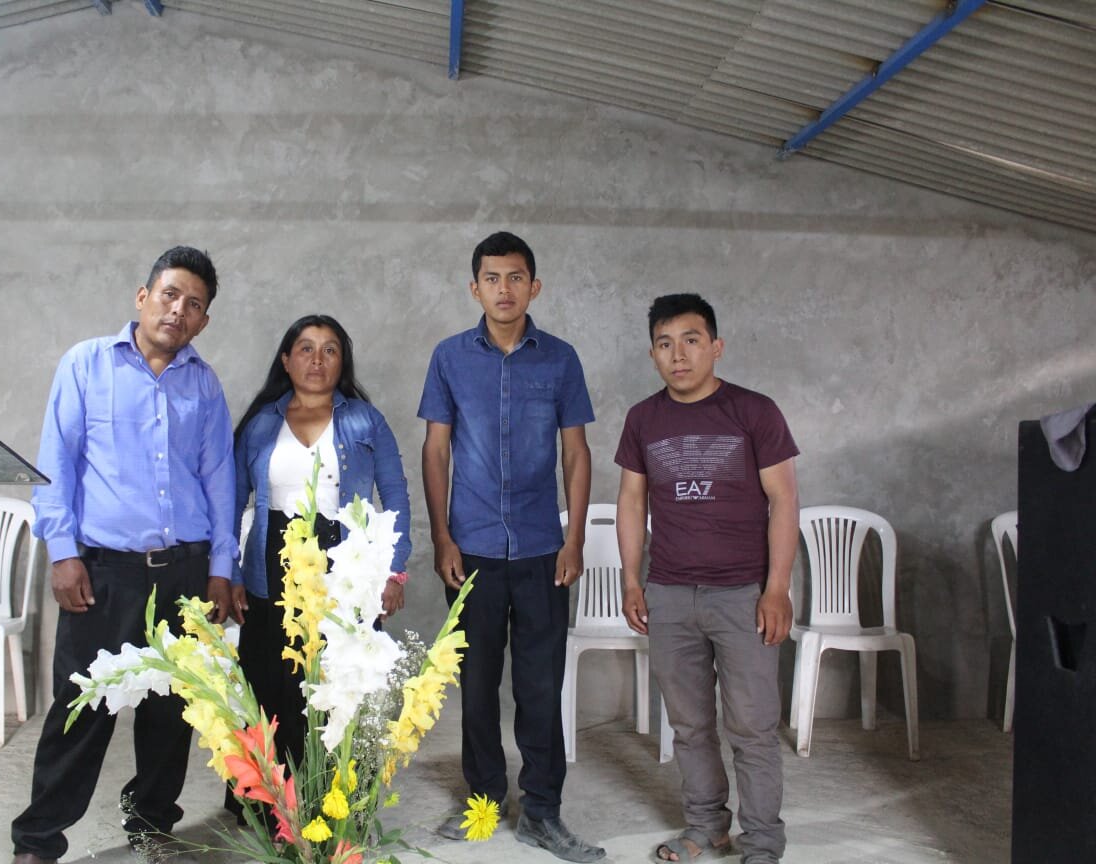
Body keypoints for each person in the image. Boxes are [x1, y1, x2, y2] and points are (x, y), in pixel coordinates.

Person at [11, 246, 241, 864]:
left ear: (203, 321)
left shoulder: (204, 383)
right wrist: (63, 552)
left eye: (194, 304)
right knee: (82, 707)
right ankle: (38, 841)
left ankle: (151, 823)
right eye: (169, 294)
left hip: (185, 571)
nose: (178, 310)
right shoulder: (86, 364)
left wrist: (221, 570)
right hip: (103, 571)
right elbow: (55, 465)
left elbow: (220, 480)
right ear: (143, 297)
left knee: (170, 712)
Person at [419, 231, 603, 863]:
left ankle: (543, 812)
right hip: (470, 548)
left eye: (516, 277)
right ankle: (483, 799)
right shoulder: (449, 357)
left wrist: (573, 538)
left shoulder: (560, 360)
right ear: (475, 288)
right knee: (476, 684)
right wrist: (442, 536)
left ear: (534, 286)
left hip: (541, 548)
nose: (505, 289)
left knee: (540, 684)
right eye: (492, 278)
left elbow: (576, 452)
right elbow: (436, 449)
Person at [614, 293, 799, 864]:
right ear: (652, 354)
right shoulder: (643, 419)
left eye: (691, 341)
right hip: (669, 593)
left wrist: (776, 588)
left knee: (752, 727)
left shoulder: (754, 411)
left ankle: (762, 841)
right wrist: (632, 580)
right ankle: (707, 826)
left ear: (715, 347)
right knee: (689, 726)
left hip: (743, 595)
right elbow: (631, 501)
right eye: (665, 344)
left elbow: (784, 499)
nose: (679, 355)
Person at [226, 313, 410, 807]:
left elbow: (395, 497)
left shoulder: (365, 421)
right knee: (272, 681)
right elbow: (231, 502)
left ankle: (335, 805)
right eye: (306, 348)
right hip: (272, 560)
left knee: (337, 682)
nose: (317, 359)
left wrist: (393, 571)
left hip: (344, 562)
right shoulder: (260, 425)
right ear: (286, 360)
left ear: (342, 362)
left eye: (330, 350)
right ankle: (271, 803)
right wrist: (229, 572)